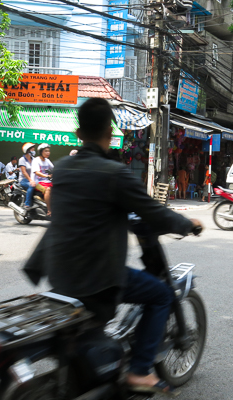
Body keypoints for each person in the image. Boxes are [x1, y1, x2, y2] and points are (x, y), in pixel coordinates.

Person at [23, 98, 202, 396]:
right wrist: (189, 224)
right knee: (160, 295)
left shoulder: (63, 168)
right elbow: (154, 212)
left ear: (79, 133)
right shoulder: (115, 174)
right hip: (97, 279)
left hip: (58, 275)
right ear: (110, 131)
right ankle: (140, 371)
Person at [30, 143, 54, 216]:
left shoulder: (47, 160)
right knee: (48, 189)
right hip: (37, 182)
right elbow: (37, 172)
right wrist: (47, 176)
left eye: (48, 151)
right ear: (41, 152)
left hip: (47, 181)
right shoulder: (36, 160)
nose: (48, 153)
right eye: (46, 151)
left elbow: (53, 168)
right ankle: (49, 210)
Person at [18, 143, 37, 209]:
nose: (34, 150)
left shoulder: (34, 159)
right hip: (24, 180)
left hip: (32, 179)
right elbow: (24, 172)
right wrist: (31, 180)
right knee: (31, 185)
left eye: (33, 149)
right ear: (27, 150)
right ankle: (27, 204)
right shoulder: (22, 159)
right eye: (32, 149)